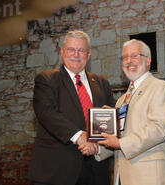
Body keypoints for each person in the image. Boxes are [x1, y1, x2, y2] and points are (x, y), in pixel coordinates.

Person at [28, 30, 114, 185]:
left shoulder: (102, 83)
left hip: (96, 171)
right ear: (62, 52)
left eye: (81, 50)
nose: (76, 55)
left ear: (88, 55)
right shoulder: (47, 80)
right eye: (71, 49)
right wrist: (80, 136)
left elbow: (108, 124)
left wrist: (98, 146)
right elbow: (47, 114)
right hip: (57, 172)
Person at [95, 39, 165, 185]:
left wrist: (120, 143)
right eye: (125, 57)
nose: (129, 61)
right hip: (122, 175)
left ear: (148, 61)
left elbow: (158, 129)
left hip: (150, 175)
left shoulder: (161, 88)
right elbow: (119, 138)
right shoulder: (121, 100)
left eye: (135, 56)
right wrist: (96, 148)